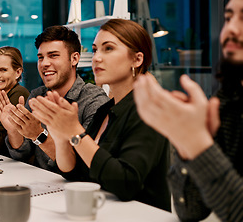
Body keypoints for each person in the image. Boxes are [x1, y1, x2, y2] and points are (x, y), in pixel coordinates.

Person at [28, 19, 171, 211]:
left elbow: (126, 184)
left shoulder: (149, 109)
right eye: (95, 50)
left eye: (108, 49)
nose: (96, 58)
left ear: (137, 59)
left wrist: (75, 132)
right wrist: (60, 136)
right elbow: (76, 173)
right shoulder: (107, 109)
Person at [134, 0, 243, 221]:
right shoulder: (228, 101)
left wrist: (195, 143)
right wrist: (186, 144)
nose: (231, 29)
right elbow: (190, 211)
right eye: (228, 17)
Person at [0, 25, 109, 171]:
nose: (45, 64)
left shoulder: (94, 100)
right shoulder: (37, 95)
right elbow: (21, 154)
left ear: (74, 59)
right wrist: (13, 130)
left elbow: (83, 164)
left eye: (53, 55)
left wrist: (38, 135)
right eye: (41, 57)